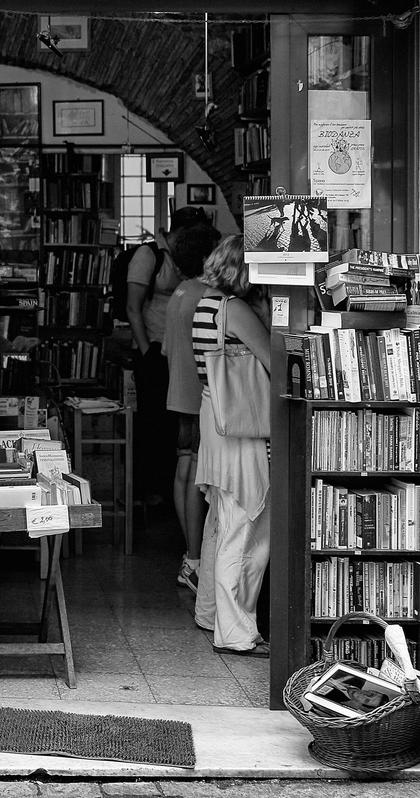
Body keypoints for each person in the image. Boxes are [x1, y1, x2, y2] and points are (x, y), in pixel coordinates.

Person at [191, 235, 272, 656]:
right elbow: (274, 360)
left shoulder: (207, 305)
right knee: (245, 529)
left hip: (217, 420)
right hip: (241, 427)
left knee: (222, 523)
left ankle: (210, 613)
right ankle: (237, 633)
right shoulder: (235, 309)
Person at [125, 207, 208, 511]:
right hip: (154, 350)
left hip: (180, 351)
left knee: (174, 426)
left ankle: (173, 495)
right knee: (153, 424)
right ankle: (152, 493)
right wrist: (147, 351)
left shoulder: (185, 259)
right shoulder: (149, 256)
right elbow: (132, 307)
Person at [161, 219, 223, 591]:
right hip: (200, 394)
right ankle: (196, 558)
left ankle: (190, 555)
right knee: (197, 475)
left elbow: (169, 347)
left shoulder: (180, 291)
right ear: (206, 256)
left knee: (184, 468)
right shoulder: (206, 295)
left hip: (178, 391)